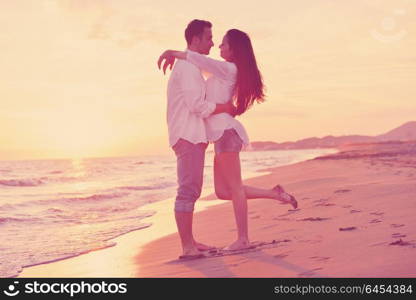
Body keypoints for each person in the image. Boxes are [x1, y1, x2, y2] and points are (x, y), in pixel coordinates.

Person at [158, 25, 298, 252]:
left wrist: (174, 53)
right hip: (219, 135)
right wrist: (181, 59)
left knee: (234, 188)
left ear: (233, 51)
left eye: (222, 42)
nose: (217, 45)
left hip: (225, 133)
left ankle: (243, 239)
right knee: (224, 191)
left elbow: (199, 61)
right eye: (213, 39)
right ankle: (275, 193)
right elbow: (196, 66)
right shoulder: (219, 70)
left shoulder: (228, 69)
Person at [160, 20, 237, 259]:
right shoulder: (188, 68)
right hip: (188, 134)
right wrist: (225, 107)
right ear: (195, 39)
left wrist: (175, 53)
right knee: (188, 190)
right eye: (208, 38)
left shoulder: (190, 64)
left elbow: (210, 70)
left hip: (191, 134)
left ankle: (191, 241)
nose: (213, 43)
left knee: (191, 188)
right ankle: (187, 247)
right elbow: (197, 105)